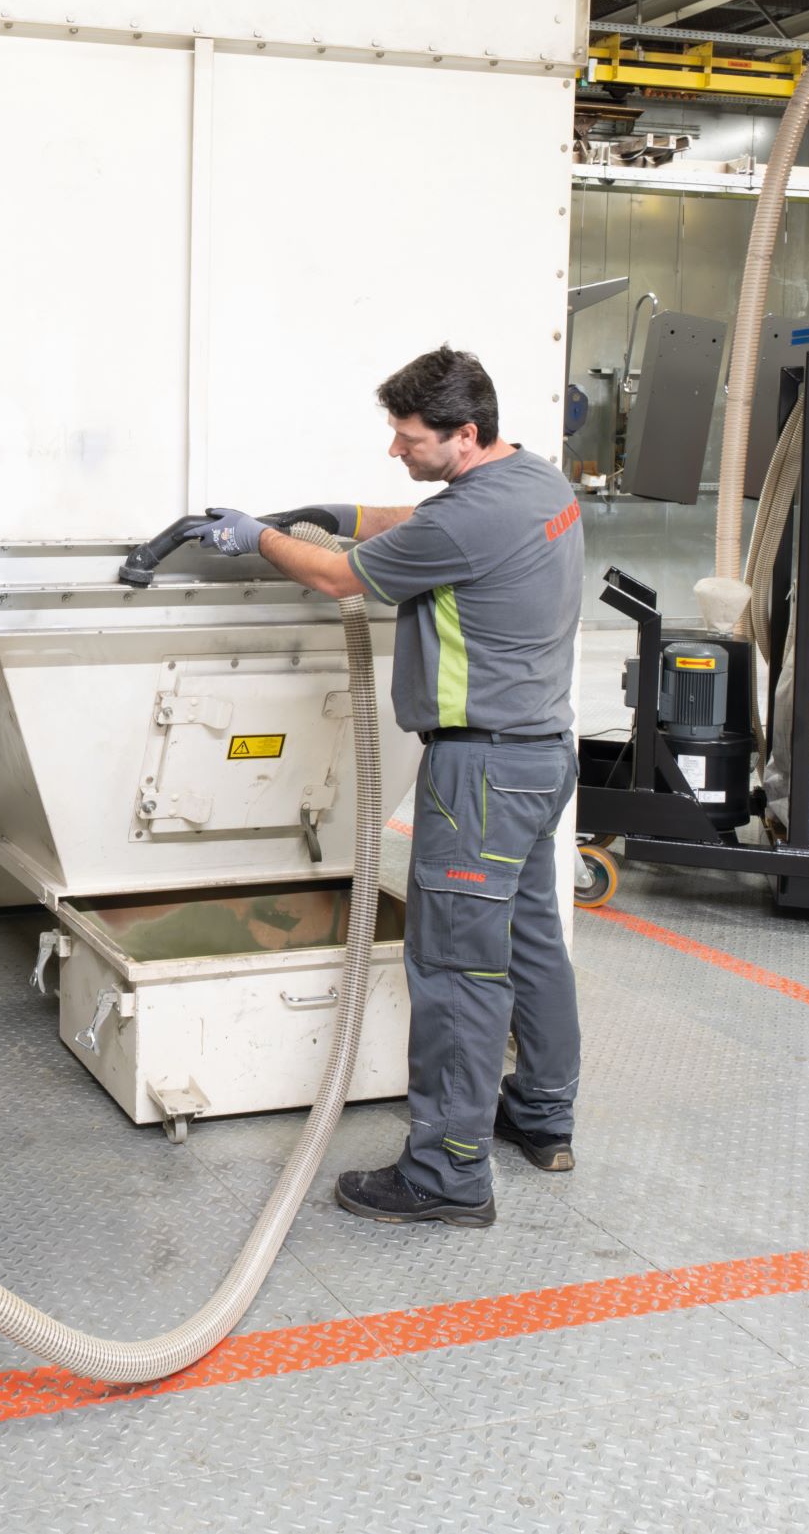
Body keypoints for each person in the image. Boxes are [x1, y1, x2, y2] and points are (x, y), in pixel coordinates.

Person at [184, 346, 587, 1228]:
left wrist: (258, 540)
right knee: (531, 942)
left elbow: (340, 576)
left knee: (457, 970)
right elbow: (430, 520)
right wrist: (341, 514)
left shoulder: (465, 520)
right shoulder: (536, 481)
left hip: (478, 776)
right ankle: (542, 1114)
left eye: (409, 438)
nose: (395, 449)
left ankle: (447, 1172)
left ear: (465, 434)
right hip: (542, 756)